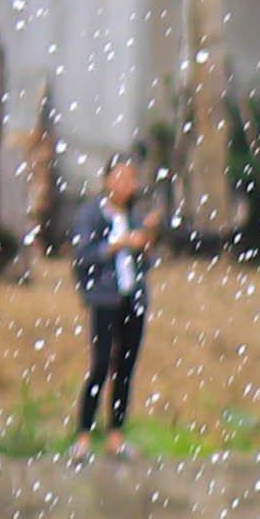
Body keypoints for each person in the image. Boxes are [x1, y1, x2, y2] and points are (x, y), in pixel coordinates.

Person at [66, 157, 156, 450]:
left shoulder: (134, 217)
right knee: (100, 364)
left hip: (133, 297)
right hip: (104, 298)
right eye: (119, 177)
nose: (125, 184)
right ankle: (83, 434)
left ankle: (115, 433)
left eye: (130, 178)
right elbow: (83, 254)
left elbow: (147, 262)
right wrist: (118, 244)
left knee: (126, 366)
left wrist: (144, 245)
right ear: (106, 181)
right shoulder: (91, 214)